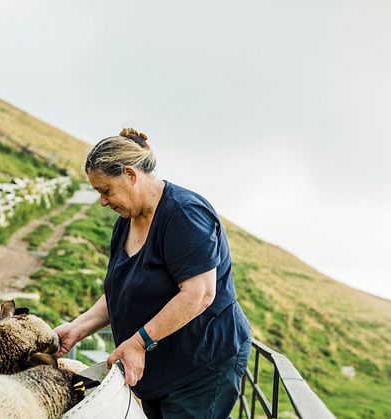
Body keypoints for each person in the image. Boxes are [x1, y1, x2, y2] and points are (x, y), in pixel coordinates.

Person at [54, 128, 251, 419]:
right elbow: (121, 291)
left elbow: (200, 294)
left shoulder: (184, 214)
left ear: (131, 175)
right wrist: (78, 328)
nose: (103, 202)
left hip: (200, 367)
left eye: (105, 190)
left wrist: (138, 342)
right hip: (158, 368)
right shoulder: (126, 221)